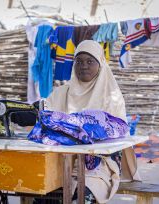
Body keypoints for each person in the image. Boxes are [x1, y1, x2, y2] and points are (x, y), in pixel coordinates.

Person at [45, 40, 140, 203]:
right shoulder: (60, 93)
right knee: (42, 189)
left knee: (83, 194)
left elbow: (119, 134)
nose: (84, 66)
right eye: (79, 61)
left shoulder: (111, 96)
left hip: (100, 163)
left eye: (90, 61)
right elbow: (44, 116)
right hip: (63, 160)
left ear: (100, 64)